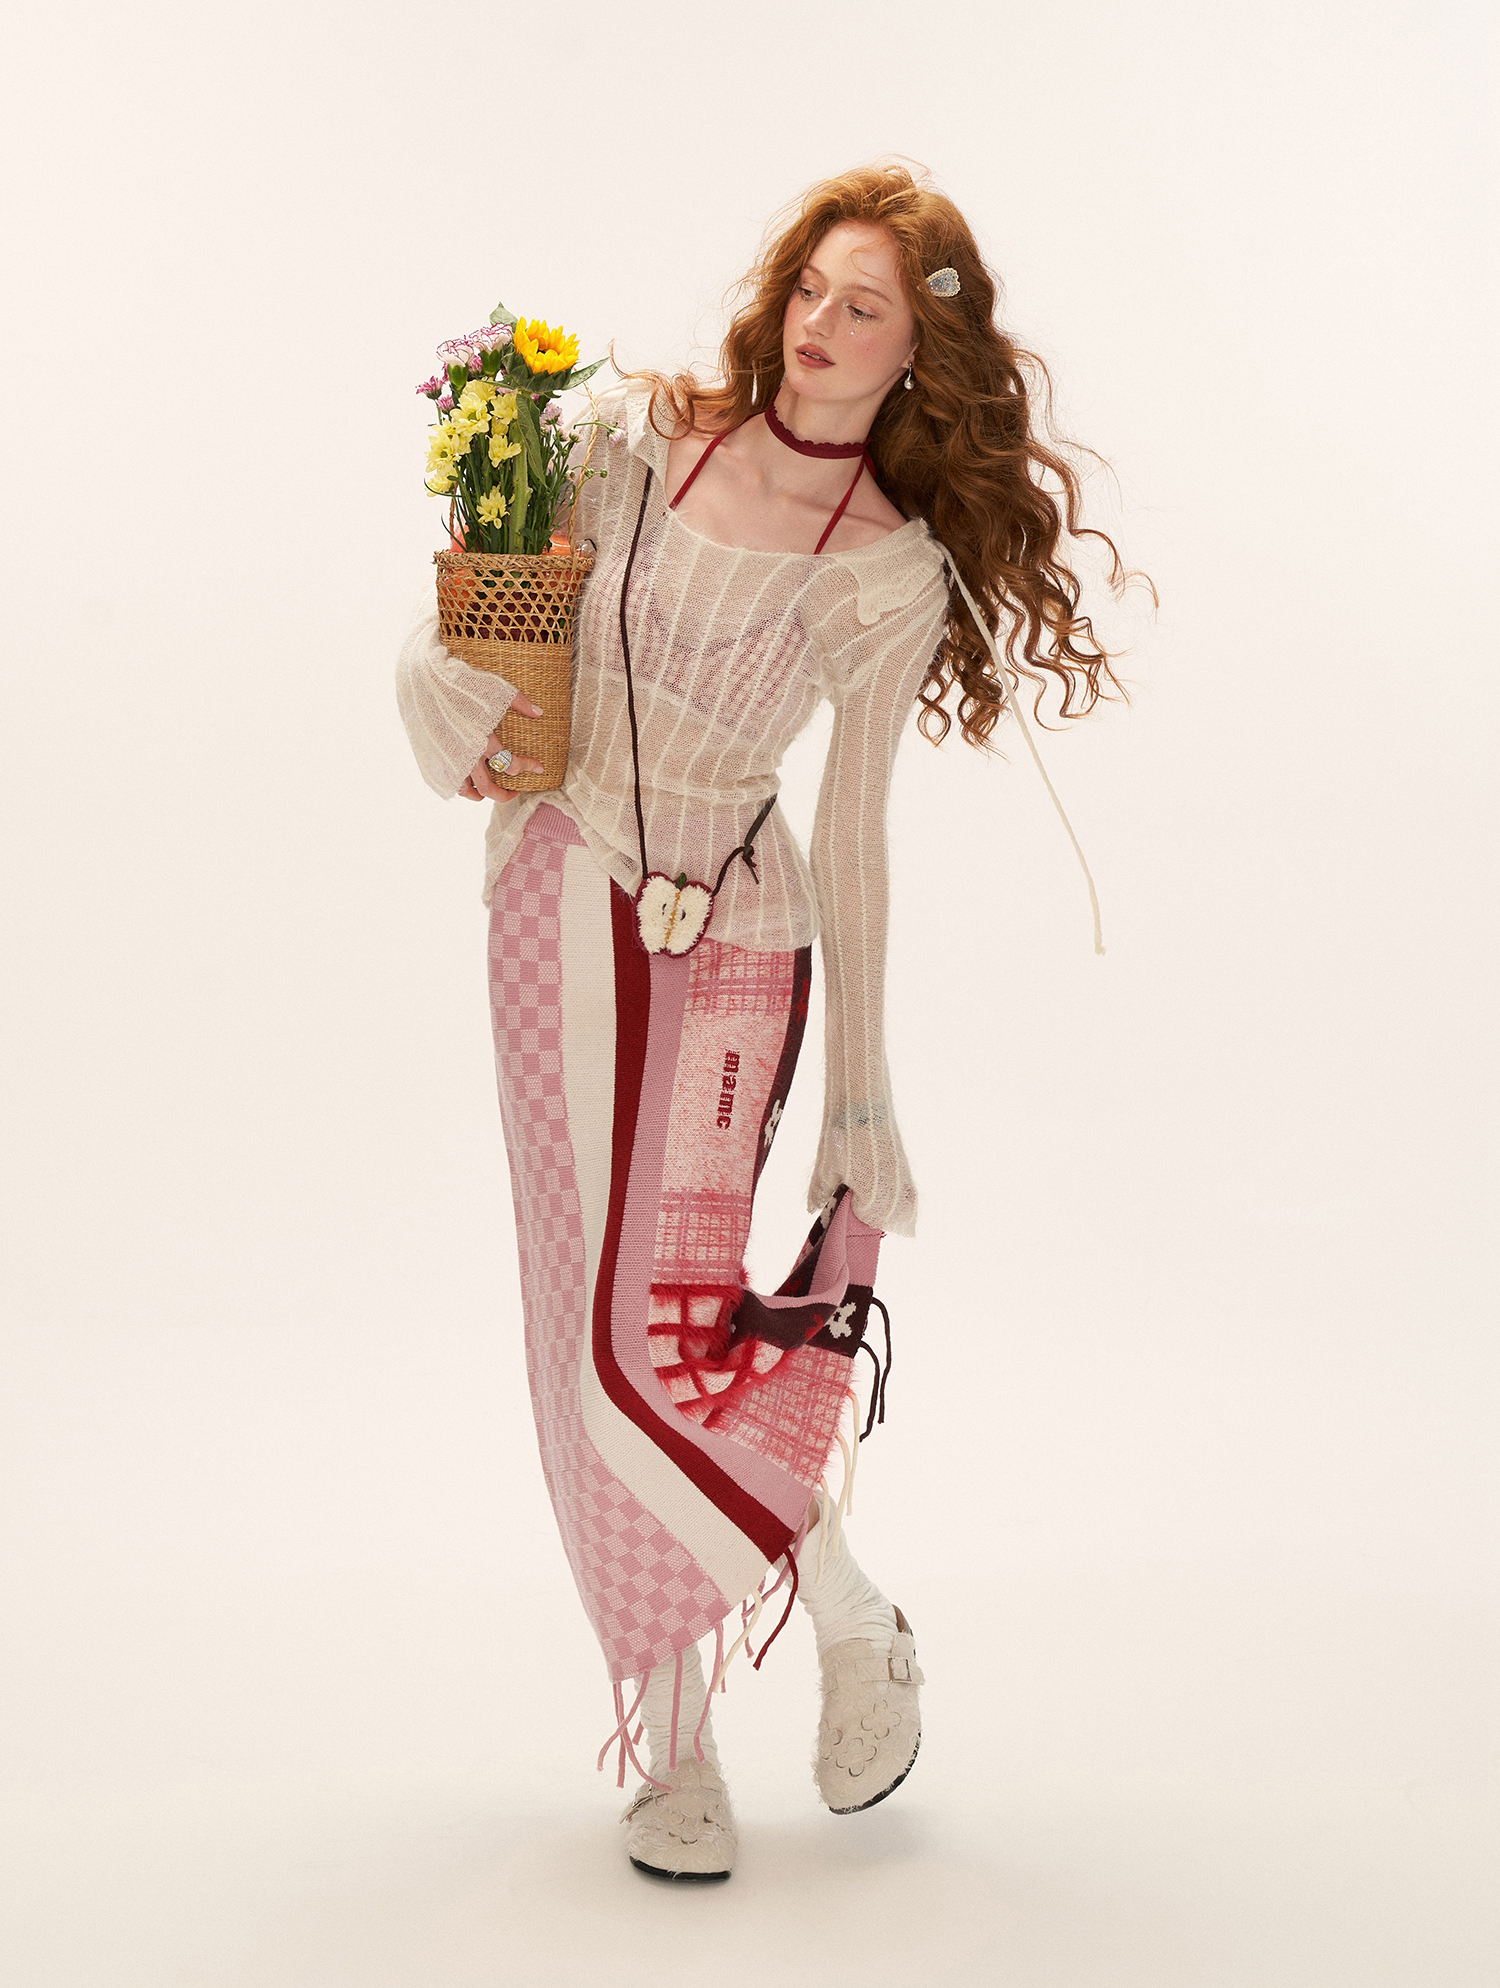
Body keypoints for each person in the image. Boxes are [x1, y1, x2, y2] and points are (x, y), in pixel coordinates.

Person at [396, 162, 1140, 1882]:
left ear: (915, 356)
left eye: (862, 307)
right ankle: (687, 1735)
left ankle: (824, 1618)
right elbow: (505, 613)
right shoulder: (638, 444)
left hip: (734, 938)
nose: (819, 323)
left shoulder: (885, 567)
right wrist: (429, 674)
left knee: (655, 1337)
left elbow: (857, 837)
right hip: (554, 900)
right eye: (811, 286)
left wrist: (863, 1099)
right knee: (575, 1344)